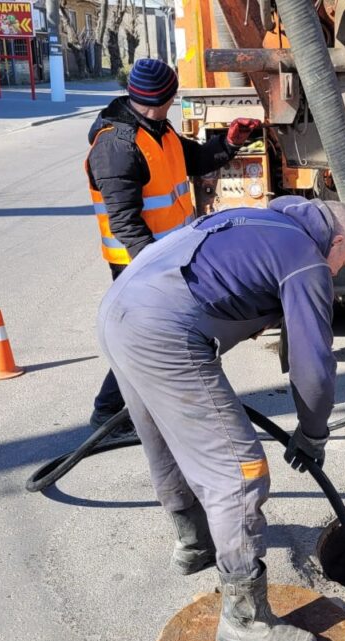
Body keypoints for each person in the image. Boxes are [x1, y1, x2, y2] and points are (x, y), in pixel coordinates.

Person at [97, 196, 345, 641]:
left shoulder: (262, 221)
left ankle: (194, 541)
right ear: (336, 241)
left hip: (120, 309)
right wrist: (313, 432)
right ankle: (246, 619)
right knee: (239, 473)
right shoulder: (306, 258)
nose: (339, 271)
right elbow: (313, 366)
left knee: (165, 442)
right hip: (163, 329)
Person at [85, 58, 260, 439]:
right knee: (142, 338)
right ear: (162, 97)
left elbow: (193, 160)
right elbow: (125, 222)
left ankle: (131, 408)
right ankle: (107, 414)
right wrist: (155, 270)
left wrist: (230, 142)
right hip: (138, 263)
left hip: (168, 256)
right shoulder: (117, 146)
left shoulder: (157, 129)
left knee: (152, 337)